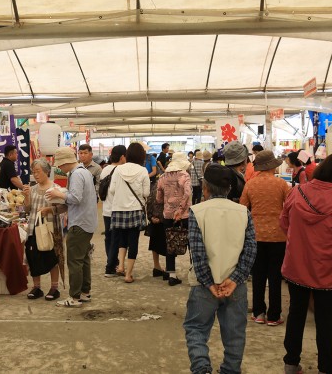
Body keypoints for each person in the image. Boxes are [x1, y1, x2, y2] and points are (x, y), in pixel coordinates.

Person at [280, 154, 332, 374]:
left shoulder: (296, 193)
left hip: (296, 266)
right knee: (324, 321)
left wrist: (299, 240)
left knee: (296, 314)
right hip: (325, 270)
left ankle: (291, 364)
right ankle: (326, 367)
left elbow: (284, 224)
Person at [184, 164, 257, 374]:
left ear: (205, 187)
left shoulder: (197, 212)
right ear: (229, 188)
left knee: (196, 328)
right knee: (235, 335)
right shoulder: (244, 212)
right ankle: (231, 370)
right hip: (235, 286)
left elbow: (197, 253)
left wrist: (208, 282)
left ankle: (202, 369)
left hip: (203, 287)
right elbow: (251, 249)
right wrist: (235, 279)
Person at [240, 150, 291, 326]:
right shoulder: (282, 185)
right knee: (276, 276)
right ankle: (274, 315)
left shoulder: (250, 184)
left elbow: (242, 208)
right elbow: (290, 206)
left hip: (255, 235)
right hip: (278, 236)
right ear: (273, 166)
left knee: (258, 275)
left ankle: (259, 312)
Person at [46, 147, 98, 308]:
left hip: (79, 223)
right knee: (83, 259)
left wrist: (57, 194)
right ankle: (85, 292)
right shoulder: (85, 172)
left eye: (60, 165)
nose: (59, 169)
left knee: (74, 261)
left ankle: (74, 297)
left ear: (65, 162)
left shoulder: (76, 174)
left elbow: (75, 198)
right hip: (88, 222)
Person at [23, 159, 66, 301]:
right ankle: (36, 287)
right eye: (33, 172)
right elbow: (27, 209)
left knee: (52, 258)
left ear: (47, 171)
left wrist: (50, 210)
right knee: (33, 257)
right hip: (33, 228)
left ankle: (54, 288)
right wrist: (27, 197)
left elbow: (64, 207)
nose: (35, 175)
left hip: (50, 229)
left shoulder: (55, 189)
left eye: (38, 171)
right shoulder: (32, 188)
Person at [107, 142, 150, 283]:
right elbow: (146, 193)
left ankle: (120, 266)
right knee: (133, 241)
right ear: (141, 155)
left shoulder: (118, 170)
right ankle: (128, 274)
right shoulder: (143, 171)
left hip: (118, 209)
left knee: (122, 239)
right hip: (135, 210)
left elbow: (112, 190)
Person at [156, 151, 192, 286]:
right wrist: (181, 209)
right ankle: (193, 273)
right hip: (184, 215)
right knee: (190, 243)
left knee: (170, 243)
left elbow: (158, 197)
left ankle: (171, 275)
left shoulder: (163, 176)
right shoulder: (184, 175)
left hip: (168, 215)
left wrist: (166, 202)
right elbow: (188, 193)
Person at [102, 145, 126, 277]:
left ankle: (112, 262)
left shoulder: (105, 170)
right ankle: (110, 267)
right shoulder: (121, 170)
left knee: (109, 238)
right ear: (122, 156)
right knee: (117, 239)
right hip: (117, 209)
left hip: (106, 209)